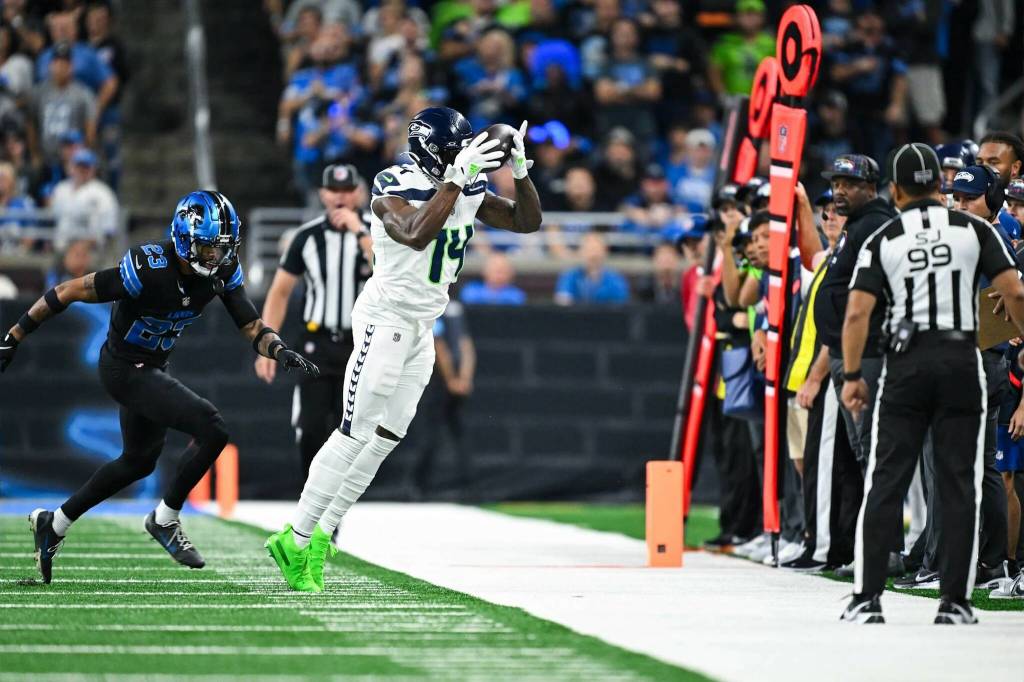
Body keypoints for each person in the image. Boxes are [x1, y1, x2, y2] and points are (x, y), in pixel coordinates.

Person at [266, 107, 541, 593]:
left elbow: (525, 221)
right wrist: (455, 183)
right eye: (455, 151)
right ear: (432, 153)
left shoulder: (468, 184)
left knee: (388, 435)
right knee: (355, 431)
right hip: (385, 317)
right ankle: (297, 534)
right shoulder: (393, 183)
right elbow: (414, 234)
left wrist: (517, 171)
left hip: (422, 325)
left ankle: (323, 533)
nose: (465, 157)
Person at [0, 191, 319, 584]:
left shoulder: (220, 271)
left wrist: (278, 348)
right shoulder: (148, 267)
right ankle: (165, 519)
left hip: (151, 366)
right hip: (122, 367)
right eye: (206, 249)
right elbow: (68, 291)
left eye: (221, 250)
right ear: (185, 239)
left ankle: (55, 523)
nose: (214, 259)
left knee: (138, 461)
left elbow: (251, 325)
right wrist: (14, 335)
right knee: (212, 427)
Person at [839, 143, 1024, 625]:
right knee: (960, 482)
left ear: (896, 190)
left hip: (907, 364)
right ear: (940, 189)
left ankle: (867, 598)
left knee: (886, 479)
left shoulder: (884, 236)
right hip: (963, 360)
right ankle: (955, 602)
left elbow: (857, 311)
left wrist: (854, 374)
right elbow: (1016, 290)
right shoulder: (974, 229)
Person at [812, 153, 904, 577]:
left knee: (872, 452)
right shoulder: (858, 226)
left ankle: (885, 551)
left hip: (866, 355)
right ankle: (876, 548)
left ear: (873, 186)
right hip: (849, 353)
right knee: (863, 451)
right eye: (836, 183)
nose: (839, 190)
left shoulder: (875, 225)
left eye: (849, 183)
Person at [255, 164, 372, 475]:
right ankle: (312, 508)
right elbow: (279, 293)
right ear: (322, 194)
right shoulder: (306, 237)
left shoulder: (377, 232)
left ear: (358, 193)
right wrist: (266, 343)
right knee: (311, 428)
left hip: (360, 345)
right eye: (335, 190)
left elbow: (389, 271)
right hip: (315, 344)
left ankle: (333, 510)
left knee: (352, 433)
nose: (341, 198)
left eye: (348, 191)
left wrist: (359, 231)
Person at [405, 301, 476, 500]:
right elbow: (464, 345)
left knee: (434, 434)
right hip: (449, 380)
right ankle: (466, 485)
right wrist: (463, 378)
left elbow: (441, 345)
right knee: (456, 433)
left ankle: (420, 486)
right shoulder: (455, 309)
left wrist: (455, 379)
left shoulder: (434, 305)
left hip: (440, 380)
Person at [31, 43, 98, 168]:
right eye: (57, 63)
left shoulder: (84, 94)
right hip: (45, 158)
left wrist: (83, 154)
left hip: (72, 160)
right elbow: (30, 122)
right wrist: (35, 153)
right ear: (50, 65)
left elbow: (90, 129)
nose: (61, 67)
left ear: (71, 66)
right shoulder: (39, 92)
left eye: (65, 63)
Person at [49, 148, 118, 250]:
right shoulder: (61, 189)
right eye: (79, 166)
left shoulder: (103, 193)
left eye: (86, 167)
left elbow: (109, 229)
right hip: (61, 248)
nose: (82, 170)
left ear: (93, 169)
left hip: (91, 250)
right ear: (72, 167)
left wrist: (86, 244)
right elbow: (52, 219)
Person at [708, 0, 775, 97]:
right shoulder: (725, 43)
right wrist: (722, 95)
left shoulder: (772, 44)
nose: (750, 19)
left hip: (763, 101)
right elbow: (714, 71)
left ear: (762, 18)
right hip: (733, 101)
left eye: (754, 14)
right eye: (745, 14)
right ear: (737, 17)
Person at [554, 232, 629, 305]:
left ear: (604, 251)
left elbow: (620, 307)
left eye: (596, 249)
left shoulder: (615, 279)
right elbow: (563, 303)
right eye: (589, 249)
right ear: (581, 252)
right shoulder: (569, 276)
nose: (593, 254)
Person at [460, 252, 526, 305]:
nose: (499, 275)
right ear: (485, 271)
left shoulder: (516, 295)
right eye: (496, 270)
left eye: (503, 271)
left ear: (510, 273)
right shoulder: (471, 291)